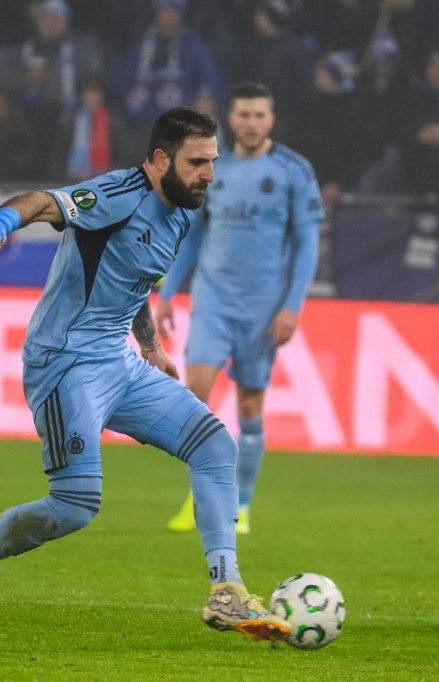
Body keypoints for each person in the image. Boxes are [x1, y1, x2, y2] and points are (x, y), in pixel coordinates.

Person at [0, 106, 290, 644]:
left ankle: (226, 590)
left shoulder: (182, 210)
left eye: (213, 161)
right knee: (74, 507)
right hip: (65, 363)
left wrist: (150, 345)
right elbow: (41, 201)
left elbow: (132, 279)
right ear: (160, 159)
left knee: (215, 445)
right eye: (197, 162)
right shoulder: (117, 194)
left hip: (119, 362)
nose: (210, 174)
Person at [156, 83, 323, 535]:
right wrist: (168, 292)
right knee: (196, 394)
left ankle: (242, 504)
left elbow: (307, 243)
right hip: (212, 301)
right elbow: (193, 233)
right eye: (244, 115)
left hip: (263, 308)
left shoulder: (293, 170)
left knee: (250, 405)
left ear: (271, 120)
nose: (251, 123)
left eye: (259, 115)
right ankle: (201, 497)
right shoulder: (214, 168)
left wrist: (291, 307)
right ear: (231, 119)